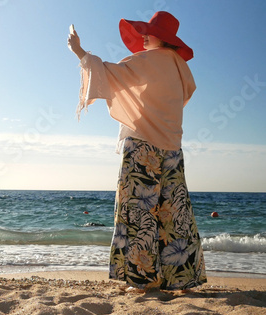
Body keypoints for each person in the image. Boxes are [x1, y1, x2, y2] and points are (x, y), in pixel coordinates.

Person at [67, 11, 207, 291]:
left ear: (164, 38)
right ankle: (180, 278)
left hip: (142, 145)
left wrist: (78, 50)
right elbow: (183, 96)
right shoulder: (182, 68)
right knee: (173, 212)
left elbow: (107, 72)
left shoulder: (145, 61)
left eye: (149, 31)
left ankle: (142, 280)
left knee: (138, 211)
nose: (143, 35)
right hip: (172, 148)